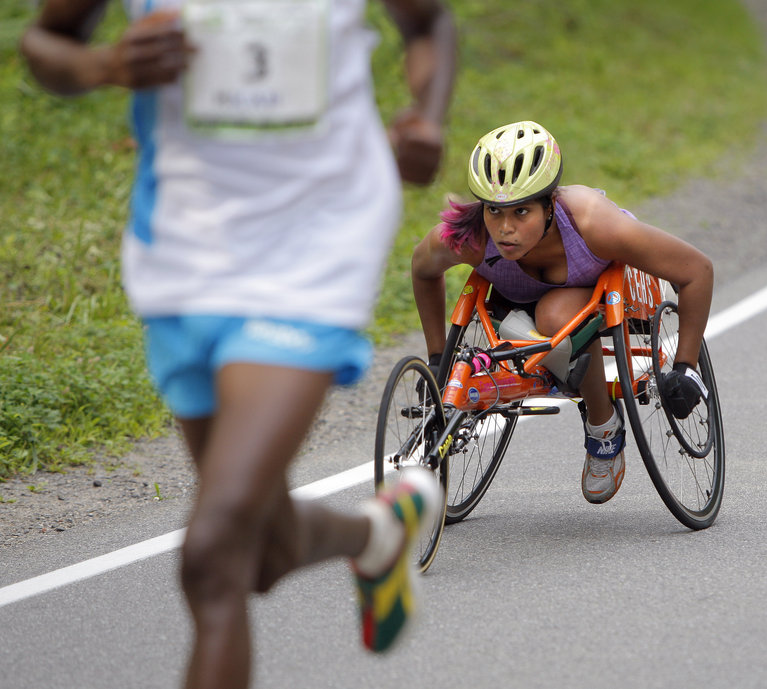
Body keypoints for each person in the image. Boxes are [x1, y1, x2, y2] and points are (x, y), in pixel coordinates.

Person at [21, 1, 456, 687]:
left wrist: (426, 114)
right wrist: (103, 64)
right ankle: (379, 535)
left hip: (318, 247)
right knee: (258, 551)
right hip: (184, 259)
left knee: (213, 553)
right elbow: (45, 43)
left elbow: (427, 24)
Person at [412, 120, 713, 504]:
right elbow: (422, 271)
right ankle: (537, 346)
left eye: (521, 213)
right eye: (494, 211)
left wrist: (686, 367)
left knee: (555, 315)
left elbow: (697, 271)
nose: (505, 230)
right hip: (520, 302)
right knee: (543, 319)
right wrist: (438, 357)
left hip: (603, 291)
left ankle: (603, 425)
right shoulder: (469, 239)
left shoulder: (595, 224)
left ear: (550, 204)